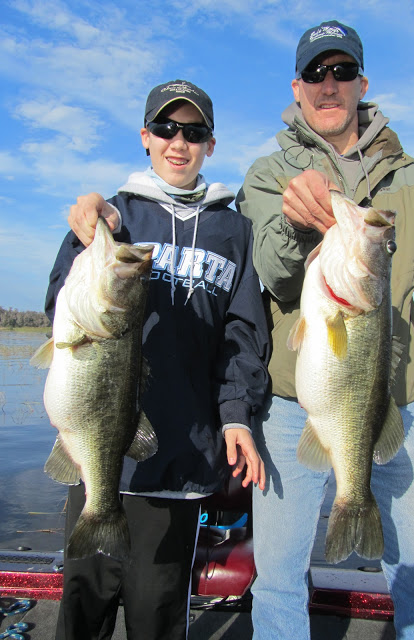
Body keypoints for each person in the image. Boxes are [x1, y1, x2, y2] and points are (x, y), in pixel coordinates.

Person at [235, 20, 414, 640]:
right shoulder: (268, 173)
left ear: (362, 84)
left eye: (342, 72)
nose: (328, 85)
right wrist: (295, 218)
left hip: (394, 402)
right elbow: (273, 271)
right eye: (316, 73)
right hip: (292, 410)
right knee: (279, 580)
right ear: (297, 86)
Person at [45, 79, 270, 640]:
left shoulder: (234, 231)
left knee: (157, 615)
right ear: (145, 137)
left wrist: (238, 413)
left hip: (183, 463)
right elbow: (60, 304)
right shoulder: (114, 219)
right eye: (166, 129)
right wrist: (86, 236)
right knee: (83, 609)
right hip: (100, 458)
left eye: (193, 132)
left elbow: (244, 335)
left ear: (210, 146)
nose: (179, 142)